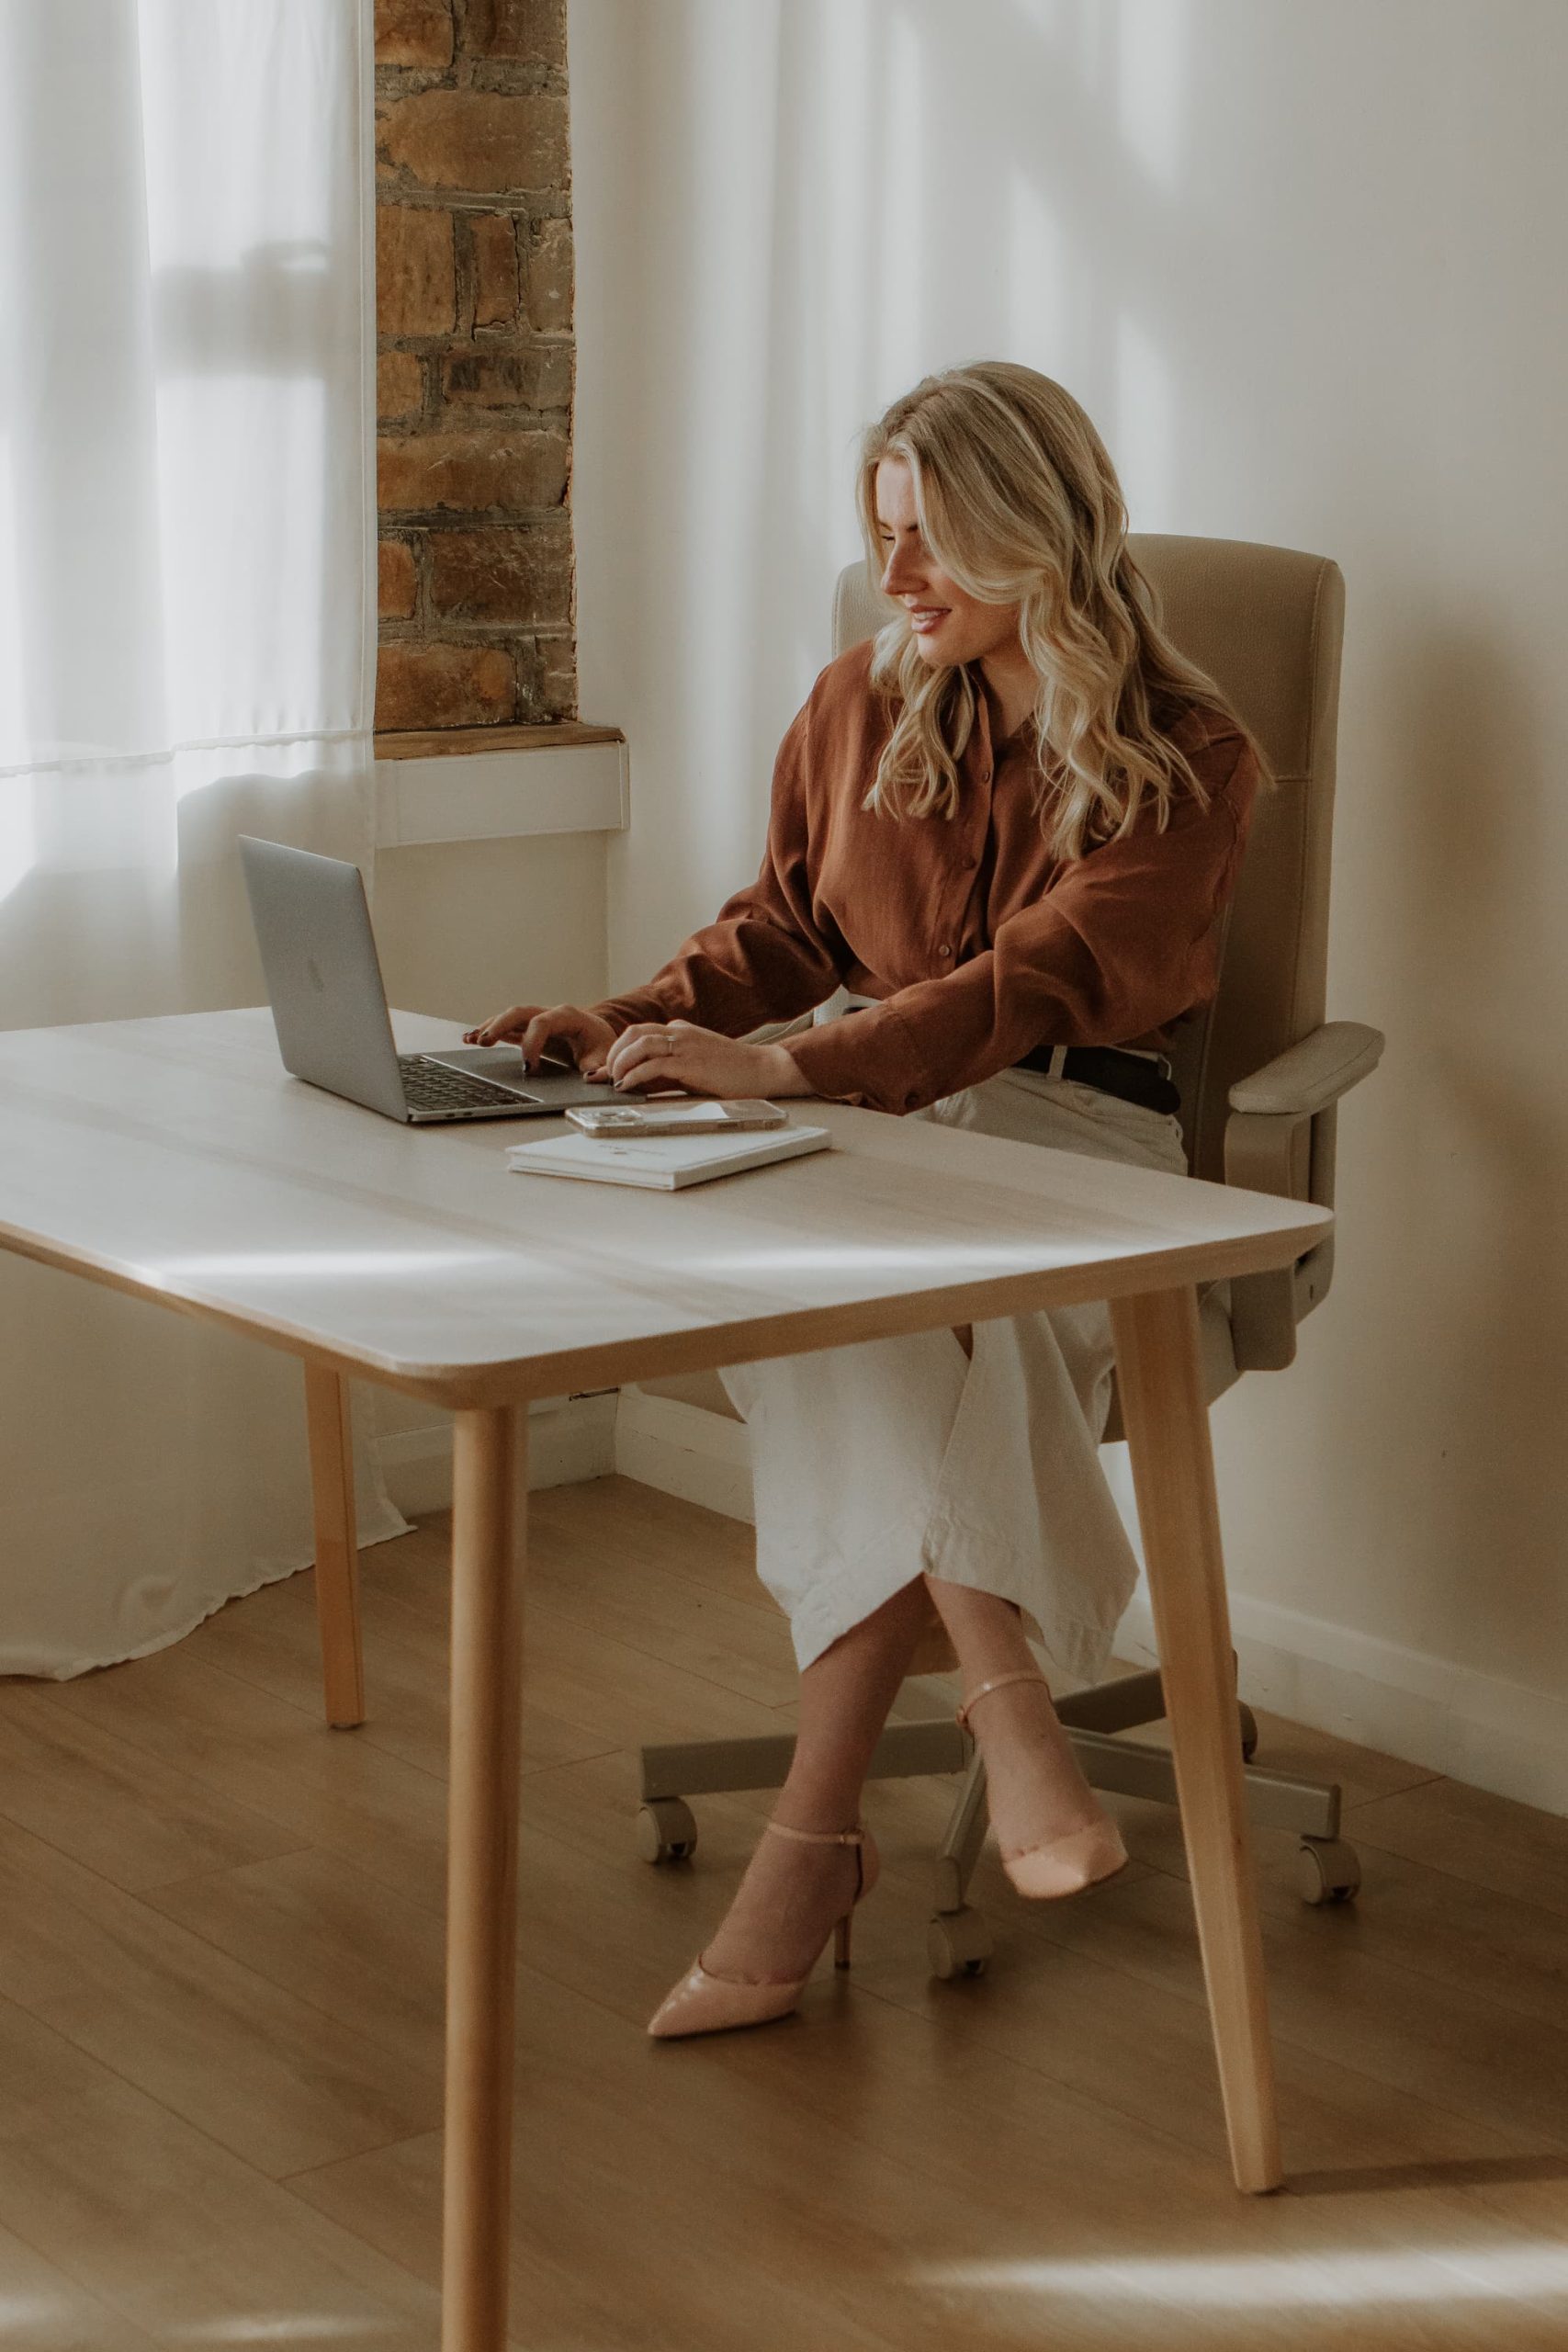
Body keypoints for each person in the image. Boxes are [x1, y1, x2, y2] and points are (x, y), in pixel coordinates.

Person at [468, 362, 1261, 2041]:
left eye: (929, 544)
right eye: (881, 539)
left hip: (1080, 1137)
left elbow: (1036, 983)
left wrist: (794, 1079)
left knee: (950, 1310)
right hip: (859, 1120)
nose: (893, 581)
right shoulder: (861, 699)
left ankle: (812, 1847)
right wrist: (612, 1024)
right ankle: (1006, 1705)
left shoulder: (1190, 754)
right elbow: (779, 935)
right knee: (854, 1305)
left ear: (1036, 533)